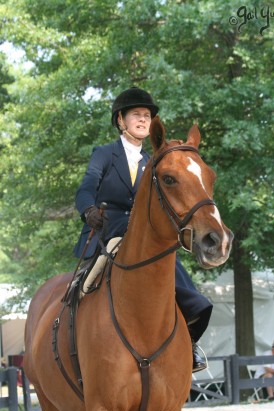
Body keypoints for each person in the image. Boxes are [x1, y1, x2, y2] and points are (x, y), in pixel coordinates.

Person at [74, 86, 213, 372]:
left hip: (144, 236)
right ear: (120, 121)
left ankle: (189, 341)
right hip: (107, 229)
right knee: (82, 286)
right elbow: (86, 187)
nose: (142, 119)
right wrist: (88, 210)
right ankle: (74, 342)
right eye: (136, 114)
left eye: (147, 115)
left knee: (173, 271)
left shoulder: (156, 162)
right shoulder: (104, 154)